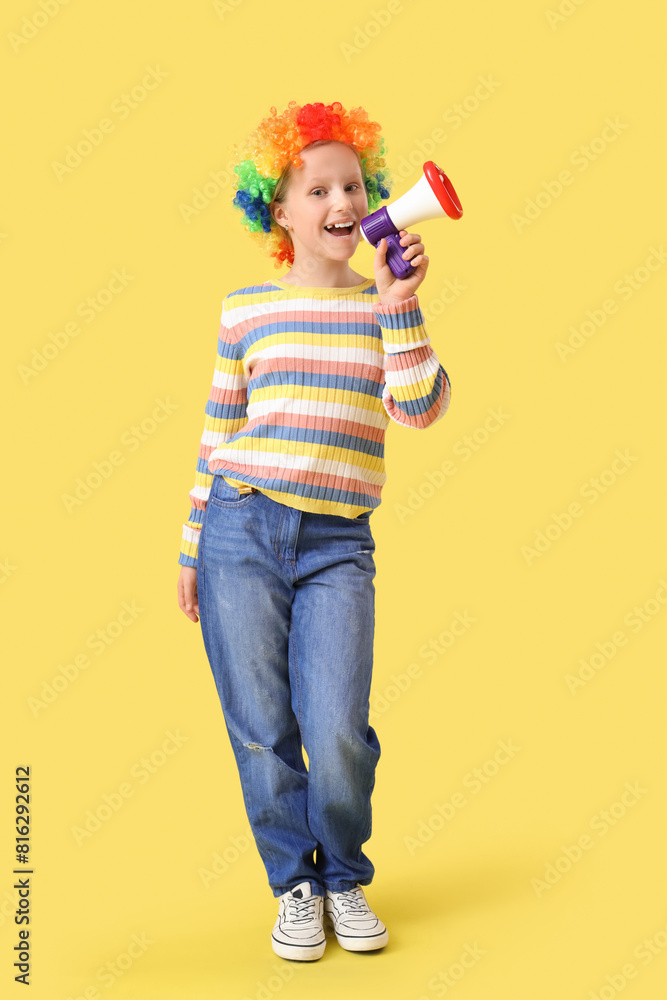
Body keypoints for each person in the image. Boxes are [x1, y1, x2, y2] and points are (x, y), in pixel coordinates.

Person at [176, 100, 452, 962]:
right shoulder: (244, 308)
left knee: (334, 724)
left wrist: (400, 304)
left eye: (355, 184)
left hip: (338, 544)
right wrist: (192, 545)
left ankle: (342, 874)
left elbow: (421, 409)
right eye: (318, 187)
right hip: (238, 530)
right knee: (259, 723)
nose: (344, 200)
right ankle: (295, 884)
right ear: (281, 214)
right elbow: (218, 432)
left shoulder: (383, 305)